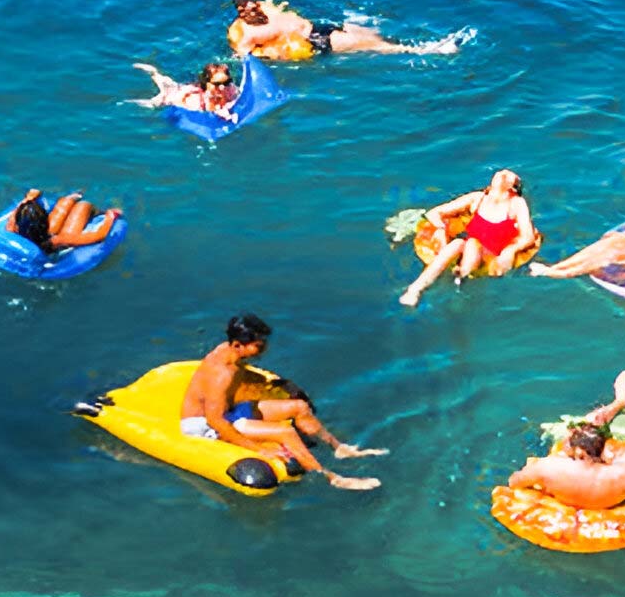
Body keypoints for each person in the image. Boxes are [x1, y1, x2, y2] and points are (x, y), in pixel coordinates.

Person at [182, 313, 382, 491]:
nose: (264, 349)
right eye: (259, 346)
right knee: (285, 432)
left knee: (299, 407)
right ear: (237, 345)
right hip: (205, 427)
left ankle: (340, 448)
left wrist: (276, 386)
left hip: (229, 412)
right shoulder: (221, 374)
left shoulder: (229, 351)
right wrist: (260, 450)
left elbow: (240, 380)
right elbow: (215, 420)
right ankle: (332, 478)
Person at [505, 372, 625, 511]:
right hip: (615, 480)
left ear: (579, 452)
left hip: (573, 480)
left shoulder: (547, 468)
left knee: (590, 424)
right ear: (603, 449)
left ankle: (619, 401)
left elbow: (514, 482)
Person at [402, 169, 541, 305]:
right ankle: (415, 289)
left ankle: (460, 282)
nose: (503, 174)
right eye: (500, 173)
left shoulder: (516, 204)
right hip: (467, 250)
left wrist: (510, 250)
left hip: (488, 254)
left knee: (472, 243)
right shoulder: (478, 198)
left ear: (513, 189)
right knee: (458, 243)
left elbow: (528, 236)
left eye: (508, 176)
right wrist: (440, 228)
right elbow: (435, 212)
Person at [228, 0, 459, 63]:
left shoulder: (265, 9)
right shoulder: (245, 33)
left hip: (319, 26)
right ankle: (425, 50)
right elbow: (245, 59)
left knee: (373, 33)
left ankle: (409, 43)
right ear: (240, 10)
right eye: (249, 8)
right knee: (372, 45)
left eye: (255, 3)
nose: (256, 9)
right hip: (315, 41)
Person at [8, 188, 121, 254]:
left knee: (65, 203)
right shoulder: (57, 241)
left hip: (35, 236)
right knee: (83, 206)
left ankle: (69, 200)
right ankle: (97, 212)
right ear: (45, 222)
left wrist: (29, 197)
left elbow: (18, 212)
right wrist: (111, 216)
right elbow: (99, 236)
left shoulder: (12, 227)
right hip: (49, 246)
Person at [132, 60, 244, 120]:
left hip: (188, 89)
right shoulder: (194, 101)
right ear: (206, 83)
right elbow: (202, 114)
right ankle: (153, 72)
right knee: (155, 102)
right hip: (176, 96)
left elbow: (236, 99)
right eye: (217, 84)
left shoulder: (230, 88)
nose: (222, 87)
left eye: (226, 82)